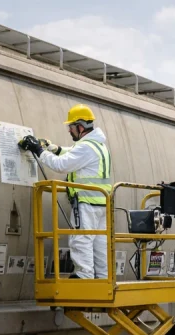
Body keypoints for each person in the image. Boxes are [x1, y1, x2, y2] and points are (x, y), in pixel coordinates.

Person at [19, 105, 111, 279]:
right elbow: (73, 153)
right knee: (99, 244)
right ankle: (102, 279)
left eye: (71, 126)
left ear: (81, 127)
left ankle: (84, 278)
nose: (69, 130)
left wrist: (38, 150)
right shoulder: (98, 146)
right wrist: (53, 148)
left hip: (86, 202)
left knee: (81, 239)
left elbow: (61, 165)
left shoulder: (86, 148)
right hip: (101, 204)